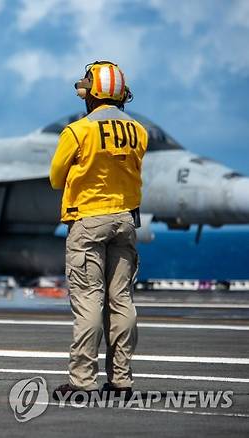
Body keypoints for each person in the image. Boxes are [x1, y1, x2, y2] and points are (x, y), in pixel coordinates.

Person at [49, 61, 148, 399]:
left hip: (89, 221)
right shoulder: (139, 131)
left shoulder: (77, 131)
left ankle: (82, 381)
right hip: (125, 220)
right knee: (121, 300)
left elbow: (55, 178)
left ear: (90, 93)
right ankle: (121, 380)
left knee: (89, 301)